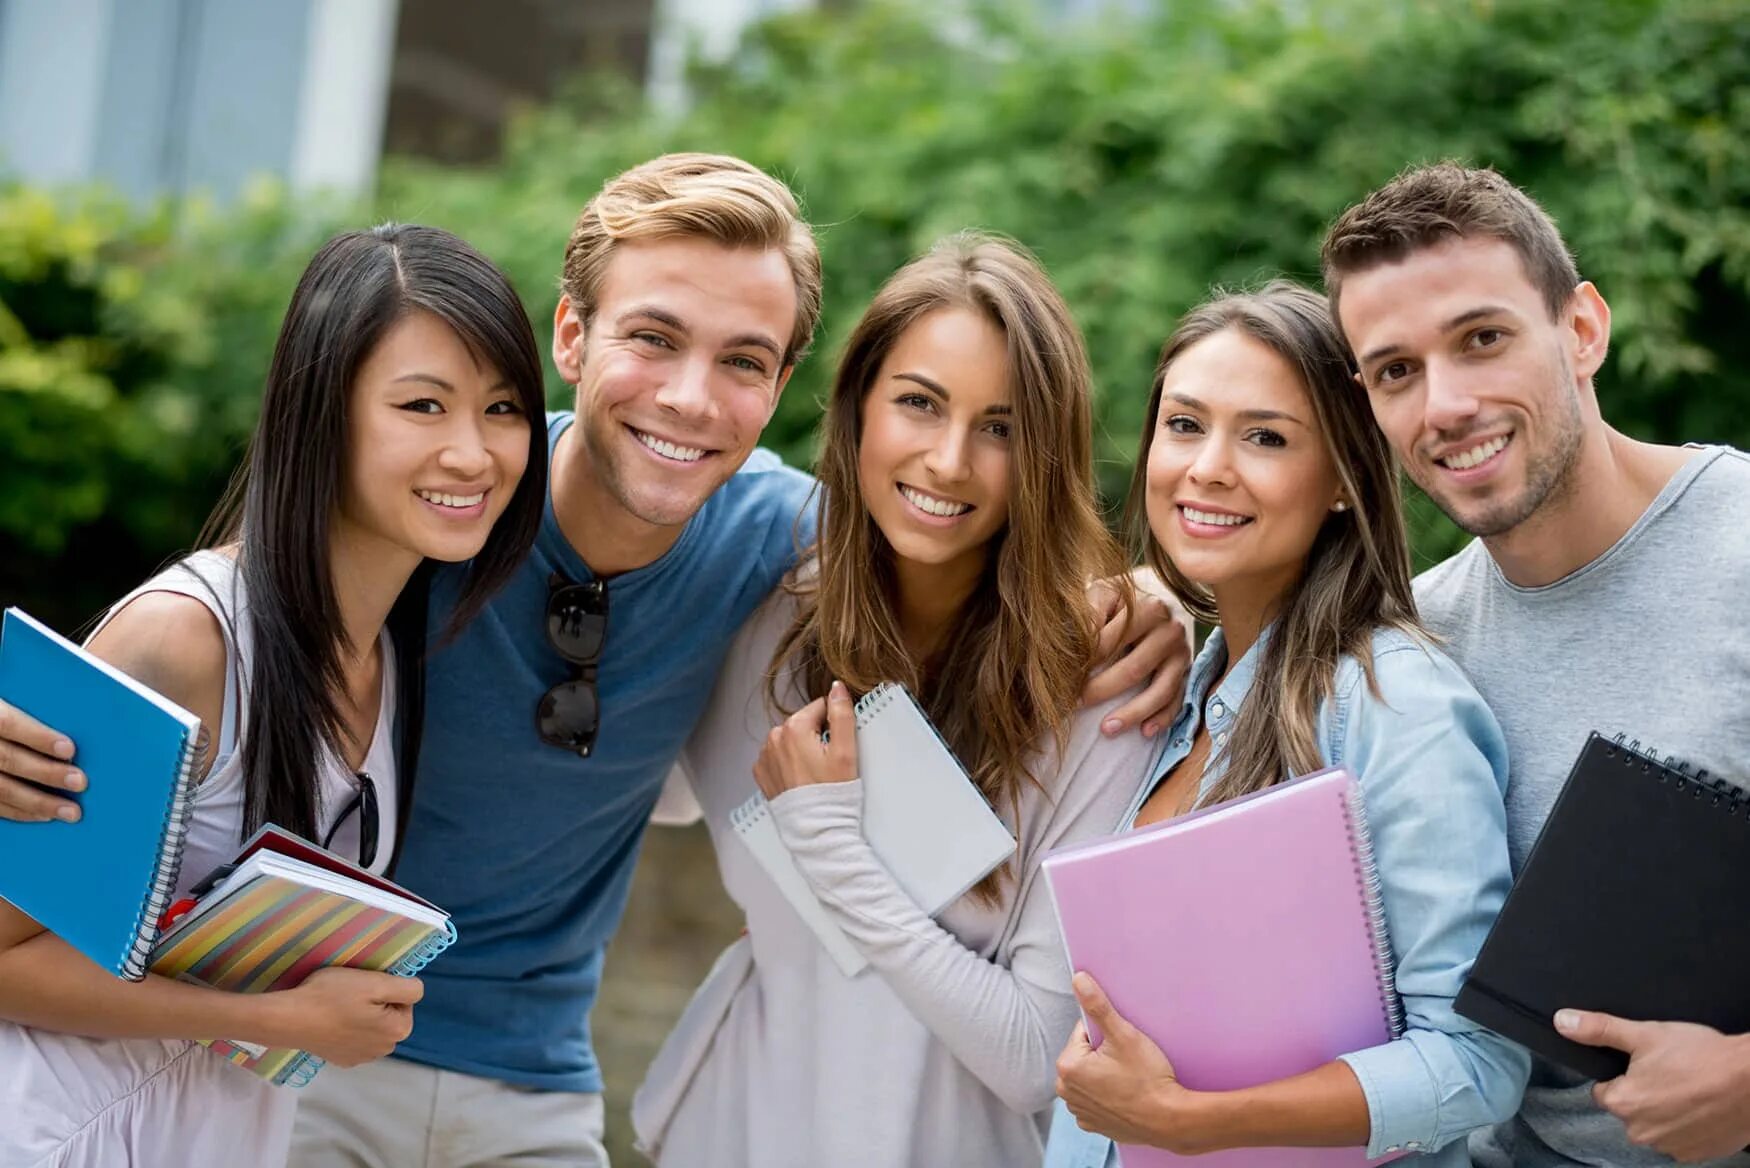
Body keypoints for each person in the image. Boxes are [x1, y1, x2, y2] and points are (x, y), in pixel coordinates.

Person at [0, 154, 1191, 1165]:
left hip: (539, 1086)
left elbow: (942, 522)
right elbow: (211, 631)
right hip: (297, 1069)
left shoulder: (777, 545)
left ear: (781, 386)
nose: (688, 394)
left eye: (741, 359)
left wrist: (1149, 596)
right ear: (569, 334)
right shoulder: (444, 503)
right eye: (653, 338)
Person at [0, 224, 548, 1168]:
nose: (474, 452)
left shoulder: (390, 654)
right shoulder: (184, 642)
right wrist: (276, 1018)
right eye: (423, 405)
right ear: (321, 413)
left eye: (502, 409)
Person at [631, 234, 1164, 1167]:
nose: (950, 460)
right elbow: (647, 786)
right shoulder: (751, 610)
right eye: (918, 404)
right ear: (857, 409)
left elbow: (1038, 1054)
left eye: (999, 427)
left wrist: (833, 847)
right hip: (728, 1129)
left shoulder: (1097, 684)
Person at [1322, 162, 1750, 1168]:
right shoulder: (1411, 646)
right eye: (1395, 371)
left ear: (1582, 329)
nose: (1446, 404)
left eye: (1481, 339)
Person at [1044, 282, 1529, 1167]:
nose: (1209, 467)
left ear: (1344, 479)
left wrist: (1191, 1122)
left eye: (1265, 437)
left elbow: (1477, 1063)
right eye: (1185, 425)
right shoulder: (1177, 694)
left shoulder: (1396, 706)